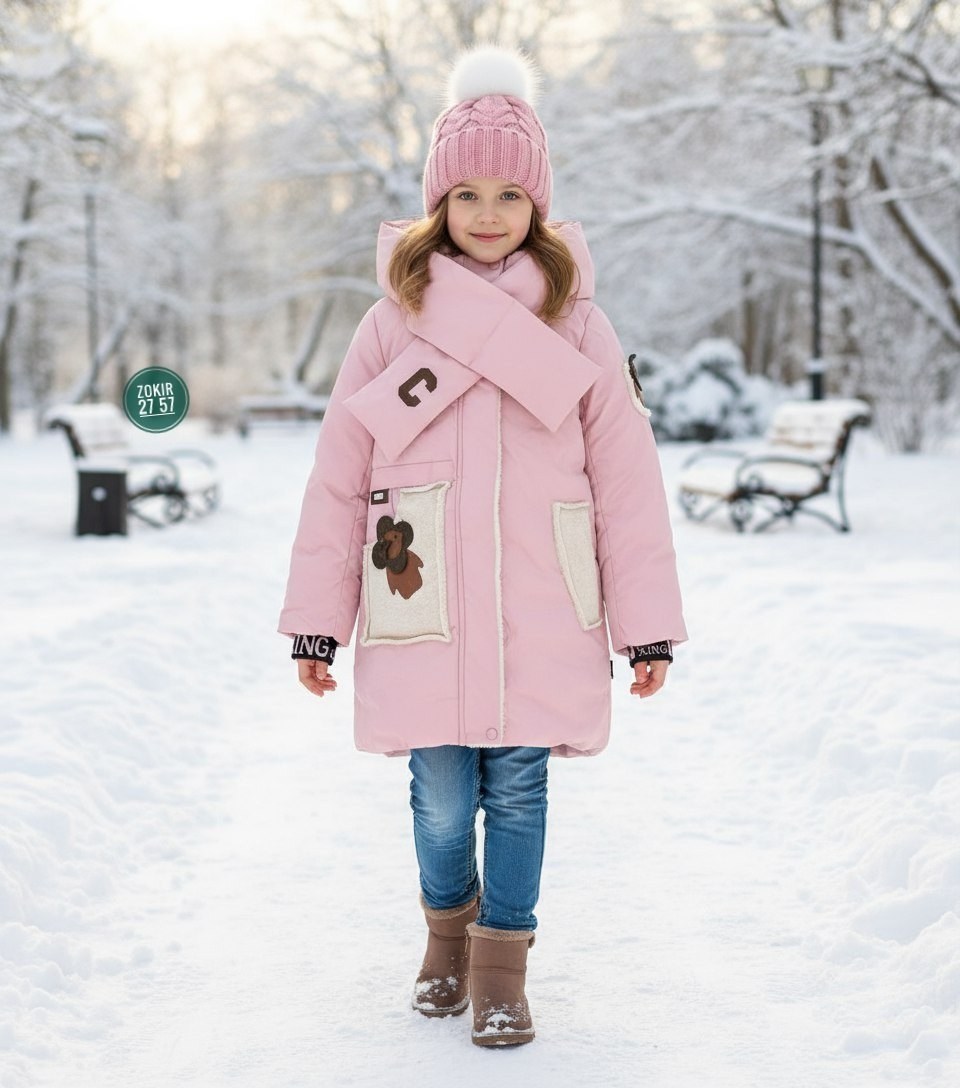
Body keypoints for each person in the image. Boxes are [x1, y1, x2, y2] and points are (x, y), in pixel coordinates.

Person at [278, 43, 687, 1048]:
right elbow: (339, 475)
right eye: (468, 191)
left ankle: (502, 963)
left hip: (544, 596)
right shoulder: (395, 322)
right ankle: (443, 932)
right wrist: (316, 624)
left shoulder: (577, 322)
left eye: (511, 191)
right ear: (439, 202)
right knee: (442, 794)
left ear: (538, 204)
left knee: (519, 784)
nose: (491, 211)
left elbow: (627, 482)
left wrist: (647, 629)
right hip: (423, 593)